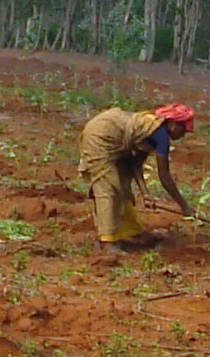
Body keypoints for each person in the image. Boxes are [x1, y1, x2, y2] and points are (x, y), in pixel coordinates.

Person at [77, 103, 194, 250]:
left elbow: (136, 165)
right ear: (172, 123)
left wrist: (145, 194)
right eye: (183, 129)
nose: (182, 135)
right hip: (101, 136)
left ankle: (132, 231)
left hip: (110, 133)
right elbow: (164, 176)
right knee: (108, 186)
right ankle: (107, 240)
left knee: (123, 184)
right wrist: (184, 206)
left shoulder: (151, 130)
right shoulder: (160, 136)